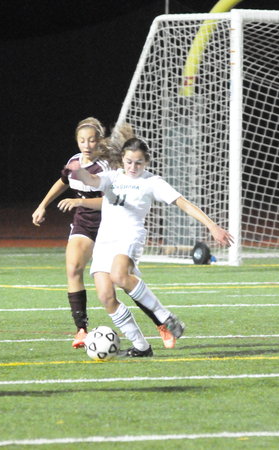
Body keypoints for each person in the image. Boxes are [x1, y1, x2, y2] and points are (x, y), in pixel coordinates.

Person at [68, 137, 234, 356]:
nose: (133, 167)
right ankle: (141, 347)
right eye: (129, 162)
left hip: (130, 236)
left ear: (146, 161)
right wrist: (77, 171)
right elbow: (90, 180)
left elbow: (183, 203)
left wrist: (212, 226)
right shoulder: (112, 176)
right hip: (105, 240)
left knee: (119, 276)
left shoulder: (152, 182)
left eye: (138, 163)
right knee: (106, 296)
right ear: (122, 159)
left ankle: (166, 317)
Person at [32, 119, 175, 349]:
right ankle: (81, 329)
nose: (86, 145)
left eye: (91, 140)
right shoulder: (74, 162)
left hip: (111, 225)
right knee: (73, 269)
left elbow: (111, 201)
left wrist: (79, 201)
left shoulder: (108, 168)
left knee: (123, 281)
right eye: (82, 140)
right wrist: (42, 205)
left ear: (99, 141)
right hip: (84, 224)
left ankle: (161, 323)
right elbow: (63, 181)